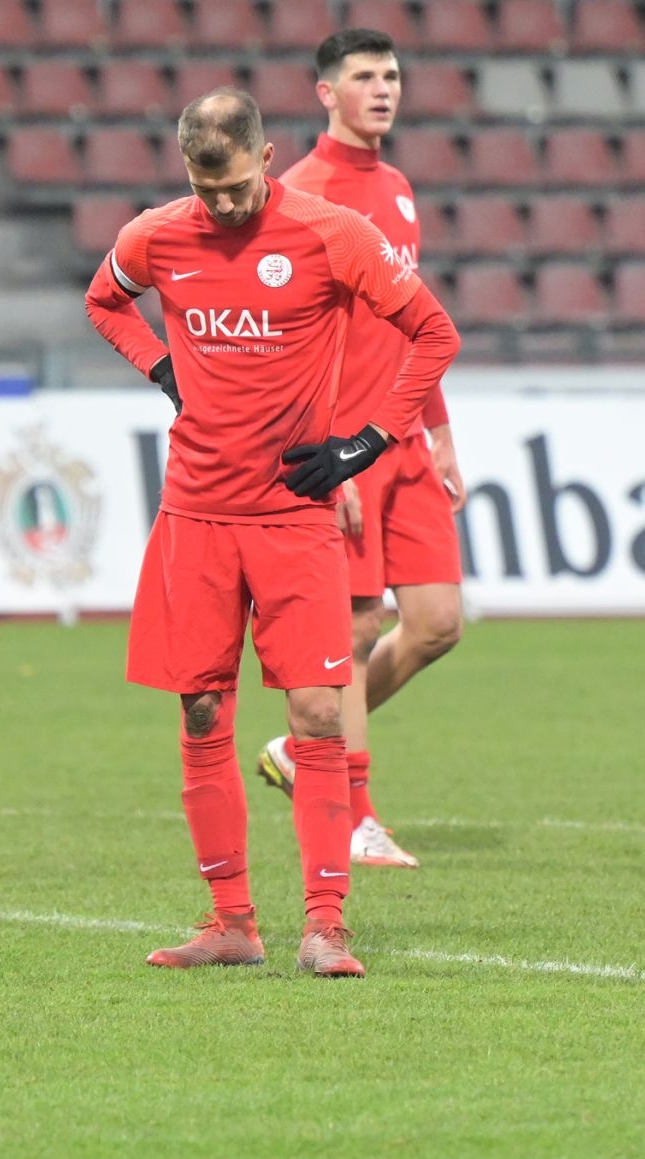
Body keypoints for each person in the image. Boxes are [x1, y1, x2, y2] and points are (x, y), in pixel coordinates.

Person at [83, 88, 460, 977]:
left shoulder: (330, 233)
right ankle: (230, 922)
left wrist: (363, 443)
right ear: (187, 172)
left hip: (292, 515)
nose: (223, 206)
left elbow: (432, 333)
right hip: (197, 513)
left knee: (319, 712)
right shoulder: (158, 233)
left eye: (238, 189)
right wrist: (162, 366)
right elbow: (104, 300)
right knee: (204, 706)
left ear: (265, 157)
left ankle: (326, 926)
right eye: (206, 190)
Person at [255, 29, 467, 870]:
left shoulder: (400, 186)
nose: (384, 89)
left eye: (391, 75)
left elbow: (413, 320)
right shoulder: (301, 194)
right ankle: (349, 805)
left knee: (438, 625)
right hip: (348, 444)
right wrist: (322, 451)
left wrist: (442, 428)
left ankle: (300, 752)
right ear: (325, 94)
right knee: (355, 624)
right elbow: (294, 340)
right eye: (365, 78)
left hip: (408, 435)